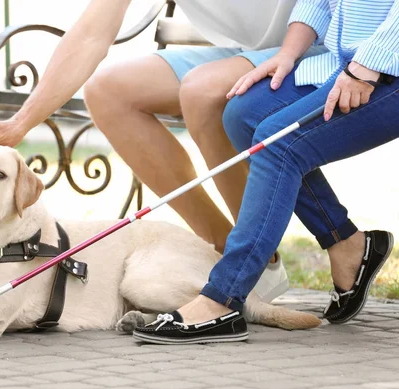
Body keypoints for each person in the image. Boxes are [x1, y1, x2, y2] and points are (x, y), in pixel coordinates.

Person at [0, 0, 331, 304]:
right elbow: (90, 35)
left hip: (329, 46)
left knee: (204, 92)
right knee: (109, 91)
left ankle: (251, 257)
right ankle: (229, 255)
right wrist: (21, 123)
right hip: (244, 55)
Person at [133, 0, 398, 344]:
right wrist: (288, 54)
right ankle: (346, 243)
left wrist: (367, 67)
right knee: (242, 116)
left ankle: (222, 298)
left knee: (278, 145)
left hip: (384, 66)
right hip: (345, 63)